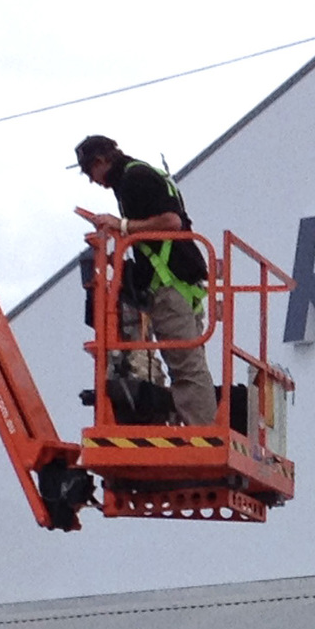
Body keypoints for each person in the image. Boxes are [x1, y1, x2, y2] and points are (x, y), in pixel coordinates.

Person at [73, 135, 216, 427]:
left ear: (101, 161)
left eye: (90, 172)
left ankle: (202, 436)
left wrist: (121, 225)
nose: (92, 180)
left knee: (187, 367)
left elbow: (170, 222)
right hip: (179, 279)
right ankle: (198, 428)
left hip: (169, 284)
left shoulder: (134, 178)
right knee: (191, 364)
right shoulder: (140, 175)